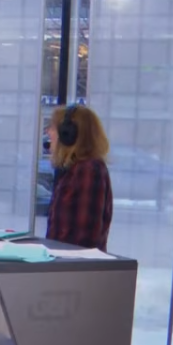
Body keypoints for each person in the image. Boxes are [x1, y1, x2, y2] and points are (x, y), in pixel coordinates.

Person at [45, 104, 113, 251]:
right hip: (63, 267)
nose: (48, 132)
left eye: (52, 127)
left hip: (73, 269)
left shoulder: (89, 170)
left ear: (67, 135)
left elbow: (84, 238)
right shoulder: (74, 171)